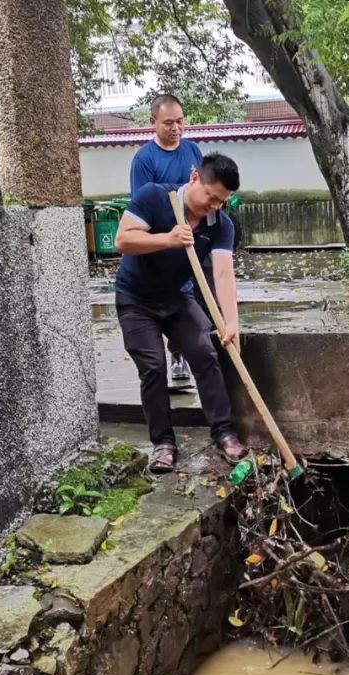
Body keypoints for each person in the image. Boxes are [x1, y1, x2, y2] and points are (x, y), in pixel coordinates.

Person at [114, 152, 248, 472]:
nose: (214, 206)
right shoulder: (155, 198)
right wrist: (168, 239)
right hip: (136, 300)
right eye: (211, 197)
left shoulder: (220, 224)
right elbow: (123, 240)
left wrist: (231, 322)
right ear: (194, 179)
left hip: (177, 298)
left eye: (222, 201)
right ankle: (163, 443)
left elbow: (223, 274)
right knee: (154, 367)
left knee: (204, 351)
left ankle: (224, 433)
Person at [129, 93, 204, 385]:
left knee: (186, 297)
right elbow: (142, 204)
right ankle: (167, 359)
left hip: (189, 235)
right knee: (162, 299)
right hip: (159, 239)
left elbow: (199, 189)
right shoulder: (144, 160)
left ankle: (181, 353)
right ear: (153, 122)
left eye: (181, 122)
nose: (176, 128)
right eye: (169, 123)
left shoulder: (193, 151)